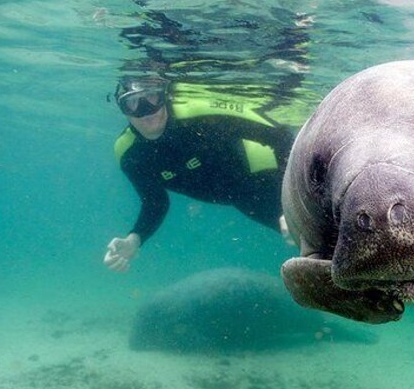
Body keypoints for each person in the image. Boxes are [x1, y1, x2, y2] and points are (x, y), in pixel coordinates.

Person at [103, 75, 296, 272]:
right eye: (132, 103)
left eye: (152, 97)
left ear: (165, 96)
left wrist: (293, 202)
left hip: (267, 176)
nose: (145, 111)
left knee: (314, 233)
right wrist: (134, 239)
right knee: (312, 241)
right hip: (242, 199)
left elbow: (281, 137)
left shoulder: (200, 114)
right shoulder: (129, 154)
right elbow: (155, 201)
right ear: (122, 109)